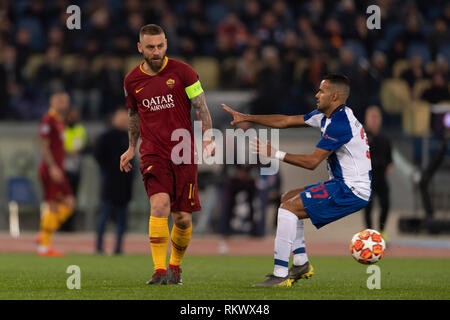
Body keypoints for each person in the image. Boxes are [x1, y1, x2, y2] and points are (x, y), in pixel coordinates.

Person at [223, 74, 372, 287]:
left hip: (351, 189)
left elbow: (312, 162)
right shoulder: (327, 116)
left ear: (335, 96)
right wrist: (247, 117)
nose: (316, 94)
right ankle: (301, 263)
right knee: (288, 198)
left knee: (288, 209)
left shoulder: (340, 124)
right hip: (342, 183)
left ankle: (280, 274)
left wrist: (276, 153)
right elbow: (285, 120)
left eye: (322, 91)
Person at [120, 24, 215, 285]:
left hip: (183, 152)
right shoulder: (131, 80)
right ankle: (159, 270)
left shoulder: (185, 72)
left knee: (182, 219)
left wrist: (208, 135)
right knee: (159, 205)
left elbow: (201, 106)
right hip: (153, 152)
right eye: (150, 47)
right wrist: (131, 147)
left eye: (160, 45)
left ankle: (175, 266)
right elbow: (133, 115)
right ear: (140, 48)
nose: (156, 51)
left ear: (166, 44)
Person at [36, 92, 75, 256]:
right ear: (52, 102)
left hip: (59, 168)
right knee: (52, 204)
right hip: (51, 168)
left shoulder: (60, 121)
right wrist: (52, 167)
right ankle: (44, 246)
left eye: (65, 101)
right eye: (59, 101)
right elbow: (44, 146)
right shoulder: (48, 119)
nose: (62, 104)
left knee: (70, 203)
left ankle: (44, 233)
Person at [94, 108, 134, 255]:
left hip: (124, 184)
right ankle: (99, 247)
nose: (124, 120)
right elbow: (98, 156)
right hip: (110, 182)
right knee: (104, 216)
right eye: (121, 117)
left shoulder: (129, 137)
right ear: (114, 118)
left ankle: (118, 248)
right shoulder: (106, 137)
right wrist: (108, 170)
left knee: (122, 218)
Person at [363, 106, 393, 240]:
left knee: (386, 204)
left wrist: (389, 166)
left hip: (381, 177)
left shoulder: (385, 139)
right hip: (367, 178)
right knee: (368, 207)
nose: (374, 120)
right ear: (367, 119)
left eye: (377, 117)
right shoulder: (362, 137)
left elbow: (390, 159)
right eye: (372, 117)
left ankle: (381, 231)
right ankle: (369, 233)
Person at [61, 107, 87, 232]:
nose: (73, 118)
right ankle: (60, 224)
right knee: (61, 197)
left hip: (75, 169)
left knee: (73, 197)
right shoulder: (61, 128)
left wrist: (73, 151)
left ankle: (70, 226)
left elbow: (82, 146)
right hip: (62, 168)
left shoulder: (80, 129)